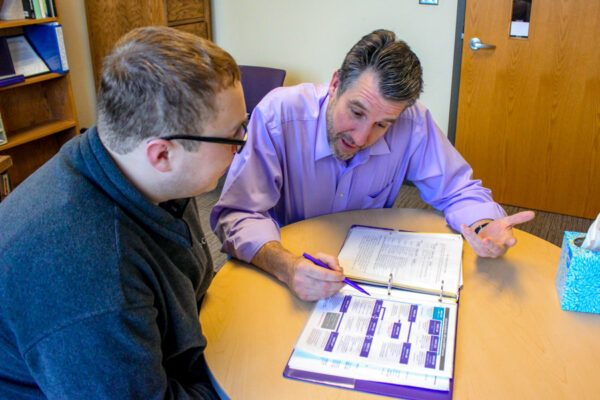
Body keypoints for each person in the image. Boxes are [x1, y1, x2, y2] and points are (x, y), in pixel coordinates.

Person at [0, 27, 246, 399]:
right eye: (234, 136)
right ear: (162, 154)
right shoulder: (91, 275)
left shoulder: (143, 172)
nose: (241, 148)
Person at [211, 29, 534, 302]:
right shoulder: (278, 115)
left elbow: (458, 189)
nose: (363, 136)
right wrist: (285, 266)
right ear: (336, 84)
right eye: (356, 112)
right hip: (282, 270)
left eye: (382, 125)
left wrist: (481, 224)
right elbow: (237, 213)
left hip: (364, 276)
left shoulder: (412, 122)